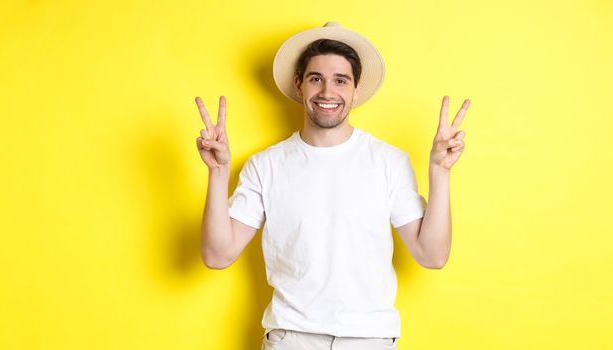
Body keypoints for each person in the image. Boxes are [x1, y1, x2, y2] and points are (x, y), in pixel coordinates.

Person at [194, 22, 469, 350]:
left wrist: (439, 170)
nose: (327, 92)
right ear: (299, 85)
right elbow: (217, 255)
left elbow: (433, 255)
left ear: (355, 89)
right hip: (291, 339)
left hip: (369, 339)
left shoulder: (389, 162)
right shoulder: (265, 166)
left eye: (341, 80)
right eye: (316, 79)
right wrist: (218, 172)